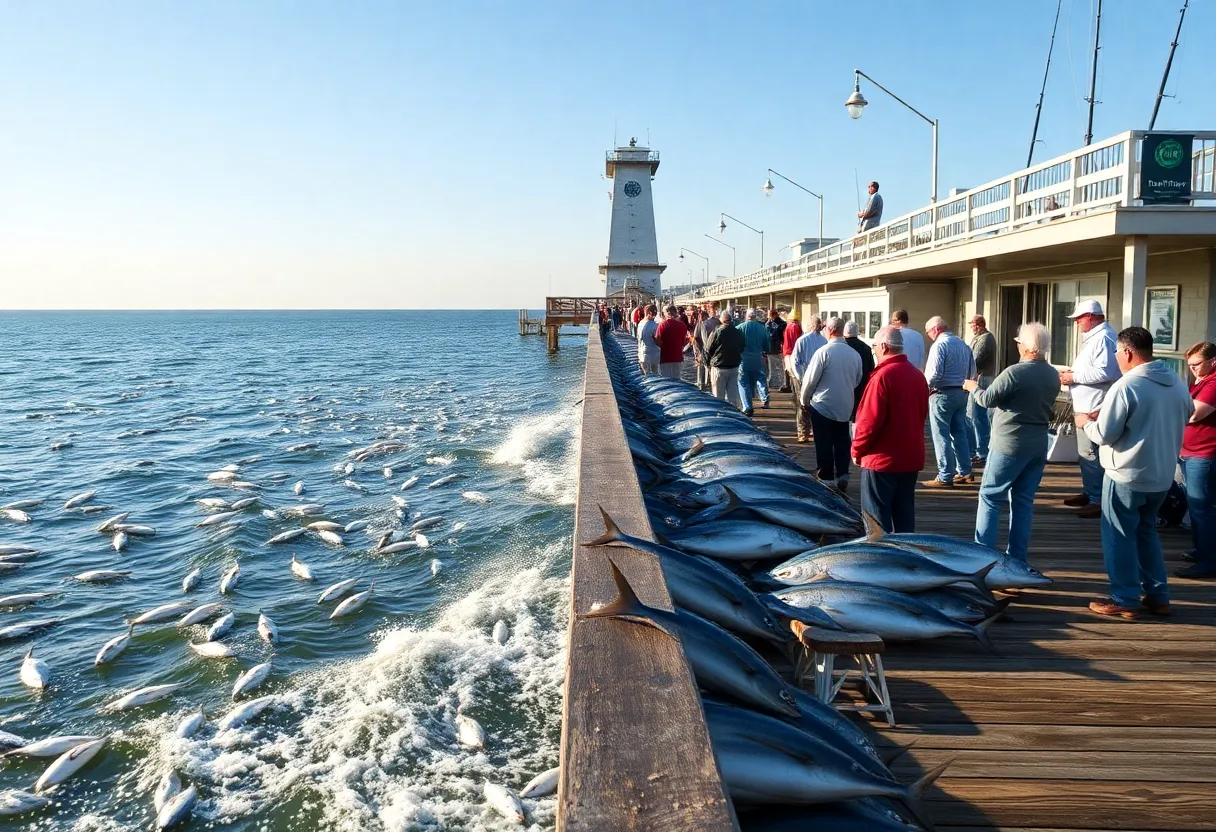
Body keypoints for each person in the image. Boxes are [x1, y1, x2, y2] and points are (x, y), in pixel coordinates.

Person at [1076, 326, 1193, 618]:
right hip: (1162, 475)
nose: (1116, 357)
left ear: (1127, 352)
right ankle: (1158, 595)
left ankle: (1124, 598)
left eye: (1117, 351)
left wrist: (1084, 423)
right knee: (1146, 532)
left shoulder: (1126, 386)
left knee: (1118, 535)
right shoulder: (1176, 382)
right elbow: (1187, 412)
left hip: (1126, 474)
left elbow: (1104, 434)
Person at [963, 323, 1060, 565]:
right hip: (1038, 444)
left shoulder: (1015, 372)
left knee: (990, 497)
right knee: (1023, 501)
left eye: (1019, 342)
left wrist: (973, 387)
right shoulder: (1052, 374)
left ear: (1026, 347)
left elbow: (986, 400)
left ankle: (982, 559)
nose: (1017, 345)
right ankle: (1017, 560)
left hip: (1009, 444)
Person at [852, 326, 929, 531]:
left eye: (875, 346)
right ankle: (906, 558)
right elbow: (922, 415)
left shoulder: (882, 377)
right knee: (905, 517)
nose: (874, 350)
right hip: (910, 457)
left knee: (876, 522)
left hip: (881, 460)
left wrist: (856, 450)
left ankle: (880, 560)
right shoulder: (917, 376)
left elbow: (869, 422)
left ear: (884, 347)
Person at [1059, 300, 1121, 519]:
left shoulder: (1103, 338)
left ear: (1091, 316)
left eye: (1079, 318)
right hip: (1087, 404)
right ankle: (1091, 492)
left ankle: (1097, 498)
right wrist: (1073, 376)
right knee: (1086, 453)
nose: (1076, 322)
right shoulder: (1097, 337)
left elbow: (1107, 373)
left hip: (1094, 407)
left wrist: (1073, 377)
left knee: (1091, 453)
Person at [800, 317, 862, 491]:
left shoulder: (823, 352)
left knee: (824, 442)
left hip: (823, 405)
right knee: (843, 440)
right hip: (845, 405)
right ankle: (843, 474)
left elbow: (810, 380)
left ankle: (826, 477)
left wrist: (804, 401)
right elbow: (857, 379)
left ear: (830, 330)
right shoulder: (854, 354)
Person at [923, 316, 976, 488]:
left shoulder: (939, 345)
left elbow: (934, 374)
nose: (929, 335)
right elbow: (972, 371)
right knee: (959, 432)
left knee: (941, 436)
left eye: (929, 332)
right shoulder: (963, 344)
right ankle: (965, 471)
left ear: (936, 329)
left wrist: (925, 389)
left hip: (942, 393)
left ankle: (945, 475)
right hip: (961, 392)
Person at [1177, 342, 1216, 579]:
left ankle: (1209, 560)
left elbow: (1193, 414)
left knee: (1202, 507)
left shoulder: (1213, 383)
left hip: (1204, 453)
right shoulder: (1201, 380)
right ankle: (1202, 550)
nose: (1192, 369)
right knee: (1196, 505)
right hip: (1191, 451)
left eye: (1196, 364)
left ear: (1213, 361)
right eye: (1189, 365)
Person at [790, 315, 827, 444]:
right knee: (812, 404)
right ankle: (809, 430)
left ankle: (803, 432)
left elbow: (794, 361)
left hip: (805, 376)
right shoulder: (823, 341)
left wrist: (800, 377)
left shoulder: (803, 340)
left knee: (803, 405)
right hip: (815, 377)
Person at [967, 314, 997, 465]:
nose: (971, 328)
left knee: (978, 415)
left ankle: (983, 451)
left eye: (972, 325)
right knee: (975, 415)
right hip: (977, 377)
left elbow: (975, 359)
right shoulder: (978, 338)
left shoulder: (986, 339)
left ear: (978, 324)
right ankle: (980, 450)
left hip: (983, 378)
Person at [704, 309, 745, 408]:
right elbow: (742, 346)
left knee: (718, 395)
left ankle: (720, 414)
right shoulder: (738, 332)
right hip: (734, 367)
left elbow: (708, 348)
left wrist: (707, 364)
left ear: (722, 320)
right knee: (733, 395)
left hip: (719, 367)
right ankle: (734, 413)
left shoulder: (717, 331)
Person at [737, 309, 771, 416]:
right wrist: (766, 351)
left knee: (743, 382)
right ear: (755, 317)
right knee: (761, 378)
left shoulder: (740, 328)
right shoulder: (762, 328)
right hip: (758, 357)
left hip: (744, 359)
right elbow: (767, 344)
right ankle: (765, 399)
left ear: (746, 316)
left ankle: (747, 406)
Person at [843, 320, 875, 423]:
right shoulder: (866, 348)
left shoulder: (840, 347)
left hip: (844, 386)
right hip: (861, 387)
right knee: (857, 418)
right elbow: (871, 369)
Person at [655, 305, 689, 381]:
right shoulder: (682, 325)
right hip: (677, 356)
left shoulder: (663, 325)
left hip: (666, 356)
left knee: (666, 380)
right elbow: (684, 341)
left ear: (667, 313)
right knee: (677, 379)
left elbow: (658, 339)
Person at [694, 308, 721, 391]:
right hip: (717, 351)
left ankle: (702, 386)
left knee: (703, 369)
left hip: (704, 350)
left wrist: (698, 351)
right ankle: (712, 386)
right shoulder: (718, 322)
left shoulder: (701, 324)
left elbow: (696, 337)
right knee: (713, 371)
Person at [765, 309, 788, 393]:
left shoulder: (781, 324)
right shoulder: (769, 323)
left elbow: (775, 334)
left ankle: (778, 383)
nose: (770, 317)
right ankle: (773, 383)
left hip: (777, 348)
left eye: (771, 315)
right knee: (771, 367)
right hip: (771, 348)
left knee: (778, 367)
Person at [781, 312, 803, 396]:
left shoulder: (788, 326)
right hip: (793, 351)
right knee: (794, 374)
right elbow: (796, 340)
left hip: (787, 351)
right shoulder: (796, 327)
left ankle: (789, 386)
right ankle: (797, 392)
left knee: (788, 370)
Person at [636, 304, 660, 375]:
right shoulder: (655, 325)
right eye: (654, 313)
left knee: (646, 374)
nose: (655, 316)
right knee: (655, 373)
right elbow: (657, 339)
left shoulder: (641, 323)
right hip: (653, 352)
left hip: (642, 351)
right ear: (649, 313)